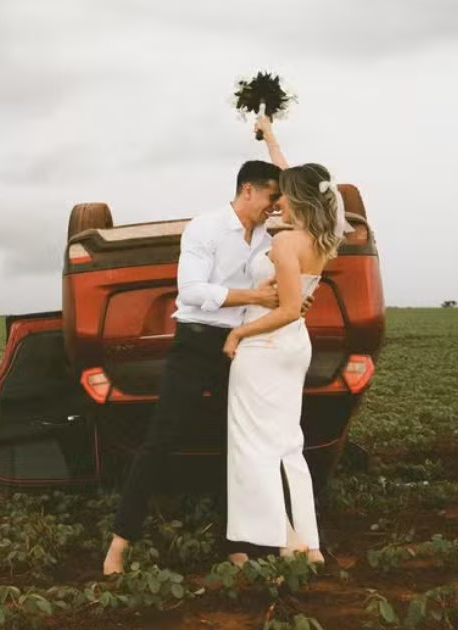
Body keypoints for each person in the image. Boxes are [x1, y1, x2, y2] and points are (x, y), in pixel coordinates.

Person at [102, 159, 287, 576]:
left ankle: (235, 544)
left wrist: (267, 130)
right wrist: (252, 297)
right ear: (248, 191)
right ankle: (118, 544)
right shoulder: (205, 227)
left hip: (240, 347)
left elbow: (298, 192)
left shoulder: (263, 236)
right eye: (271, 197)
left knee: (238, 446)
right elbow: (192, 291)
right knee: (160, 441)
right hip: (197, 342)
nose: (275, 207)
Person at [220, 115, 348, 566]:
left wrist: (239, 331)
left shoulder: (285, 243)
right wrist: (270, 135)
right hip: (294, 347)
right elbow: (298, 309)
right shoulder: (322, 238)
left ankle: (276, 541)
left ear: (296, 200)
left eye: (282, 196)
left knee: (252, 445)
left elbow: (288, 307)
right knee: (286, 444)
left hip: (266, 346)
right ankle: (306, 543)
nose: (276, 203)